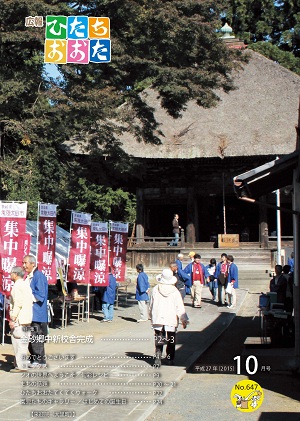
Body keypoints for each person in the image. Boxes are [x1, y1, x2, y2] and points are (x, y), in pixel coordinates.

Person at [149, 268, 188, 366]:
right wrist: (184, 319)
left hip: (158, 317)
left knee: (159, 338)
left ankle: (158, 358)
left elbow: (151, 305)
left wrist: (151, 316)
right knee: (171, 339)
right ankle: (170, 358)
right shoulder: (175, 291)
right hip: (171, 317)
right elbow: (179, 306)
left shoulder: (155, 289)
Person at [22, 255, 48, 369]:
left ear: (33, 263)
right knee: (31, 336)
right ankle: (34, 358)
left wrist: (28, 298)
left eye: (25, 263)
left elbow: (40, 295)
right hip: (30, 312)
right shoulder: (29, 276)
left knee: (36, 336)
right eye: (23, 263)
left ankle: (40, 359)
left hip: (37, 312)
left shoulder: (39, 276)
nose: (24, 265)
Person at [9, 266, 33, 373]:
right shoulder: (25, 285)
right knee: (23, 343)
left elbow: (18, 303)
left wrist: (13, 318)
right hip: (27, 318)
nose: (10, 275)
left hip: (19, 319)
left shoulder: (17, 286)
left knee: (18, 342)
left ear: (15, 274)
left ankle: (20, 365)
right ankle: (20, 364)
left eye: (11, 273)